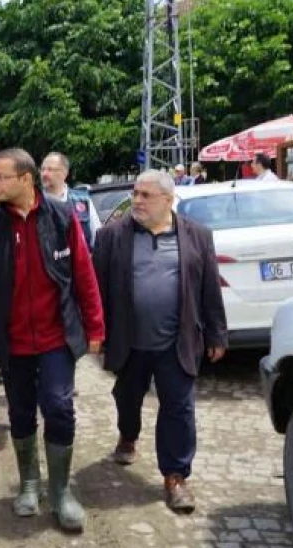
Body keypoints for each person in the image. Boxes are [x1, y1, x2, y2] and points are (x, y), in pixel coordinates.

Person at [0, 148, 105, 533]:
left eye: (0, 178)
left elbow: (84, 275)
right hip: (12, 342)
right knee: (22, 412)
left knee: (59, 406)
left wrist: (96, 327)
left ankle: (60, 492)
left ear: (25, 180)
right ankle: (30, 482)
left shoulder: (62, 217)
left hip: (56, 336)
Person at [92, 170, 228, 514]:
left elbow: (209, 288)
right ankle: (128, 434)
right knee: (127, 396)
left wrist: (216, 333)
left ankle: (175, 476)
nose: (136, 200)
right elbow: (97, 289)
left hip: (176, 341)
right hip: (130, 340)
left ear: (168, 200)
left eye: (145, 195)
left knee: (179, 408)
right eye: (135, 193)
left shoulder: (197, 236)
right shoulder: (112, 236)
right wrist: (96, 333)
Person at [40, 152, 102, 248]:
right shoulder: (35, 202)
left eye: (50, 169)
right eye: (42, 169)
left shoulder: (82, 200)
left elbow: (97, 238)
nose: (44, 174)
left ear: (64, 173)